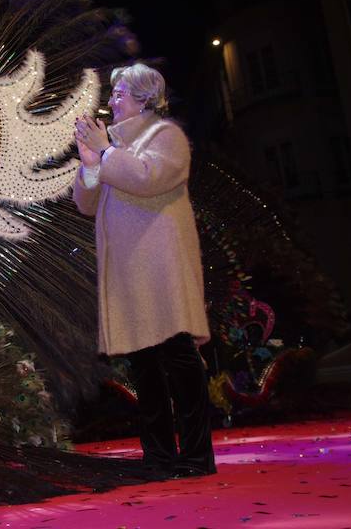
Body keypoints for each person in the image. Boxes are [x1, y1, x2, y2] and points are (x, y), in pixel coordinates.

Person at [72, 62, 216, 477]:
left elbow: (147, 177)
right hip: (127, 268)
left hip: (161, 267)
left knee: (177, 359)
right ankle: (158, 457)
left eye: (120, 94)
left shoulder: (165, 136)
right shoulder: (111, 144)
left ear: (145, 99)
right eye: (113, 93)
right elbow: (86, 204)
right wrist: (90, 163)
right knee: (144, 367)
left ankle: (195, 457)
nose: (112, 101)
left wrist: (104, 153)